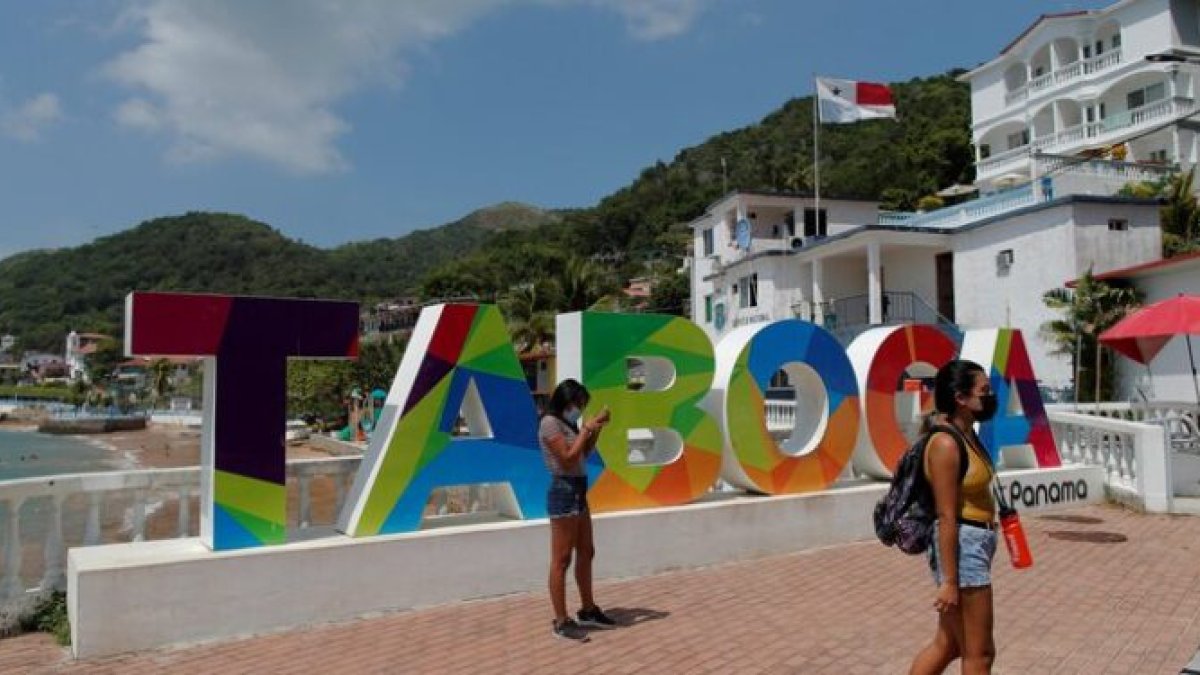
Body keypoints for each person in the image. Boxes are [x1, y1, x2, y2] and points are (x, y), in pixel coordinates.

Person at [910, 360, 1000, 675]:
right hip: (963, 548)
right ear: (961, 398)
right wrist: (949, 582)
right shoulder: (946, 444)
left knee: (949, 644)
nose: (990, 398)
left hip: (976, 542)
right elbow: (946, 516)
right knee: (980, 653)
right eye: (984, 391)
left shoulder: (967, 434)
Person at [538, 378, 614, 641]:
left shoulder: (569, 424)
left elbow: (584, 453)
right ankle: (561, 620)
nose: (580, 410)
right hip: (563, 490)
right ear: (566, 401)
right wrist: (585, 430)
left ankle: (588, 609)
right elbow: (567, 459)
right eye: (578, 404)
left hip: (579, 490)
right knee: (562, 560)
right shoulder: (549, 423)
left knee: (587, 550)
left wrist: (596, 429)